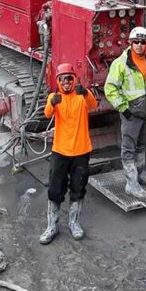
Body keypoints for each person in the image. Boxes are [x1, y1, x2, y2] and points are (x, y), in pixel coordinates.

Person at [104, 26, 146, 201]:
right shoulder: (120, 64)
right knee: (129, 149)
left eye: (142, 42)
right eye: (135, 42)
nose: (139, 45)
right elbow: (110, 88)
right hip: (131, 113)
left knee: (141, 145)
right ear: (130, 43)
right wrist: (124, 109)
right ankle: (131, 184)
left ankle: (139, 174)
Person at [40, 63, 97, 245]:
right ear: (58, 81)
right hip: (60, 151)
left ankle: (74, 223)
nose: (66, 82)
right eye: (62, 79)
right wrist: (51, 102)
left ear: (74, 80)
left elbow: (93, 105)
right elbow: (47, 114)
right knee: (55, 189)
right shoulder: (54, 97)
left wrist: (86, 92)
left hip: (81, 151)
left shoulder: (81, 96)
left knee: (78, 189)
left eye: (69, 78)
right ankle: (52, 226)